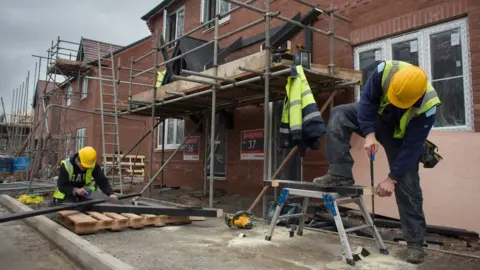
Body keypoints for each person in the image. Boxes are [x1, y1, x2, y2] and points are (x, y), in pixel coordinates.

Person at [313, 60, 441, 264]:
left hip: (400, 137)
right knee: (340, 114)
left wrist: (392, 178)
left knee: (408, 185)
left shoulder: (428, 107)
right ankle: (340, 174)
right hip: (378, 118)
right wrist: (369, 134)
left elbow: (412, 148)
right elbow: (366, 103)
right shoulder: (385, 71)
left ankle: (415, 243)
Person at [53, 146, 118, 204]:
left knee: (93, 206)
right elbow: (62, 186)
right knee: (72, 207)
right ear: (78, 160)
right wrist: (76, 190)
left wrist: (110, 194)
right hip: (65, 194)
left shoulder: (92, 165)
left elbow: (102, 180)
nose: (85, 169)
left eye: (87, 167)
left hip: (83, 194)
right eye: (84, 166)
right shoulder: (66, 165)